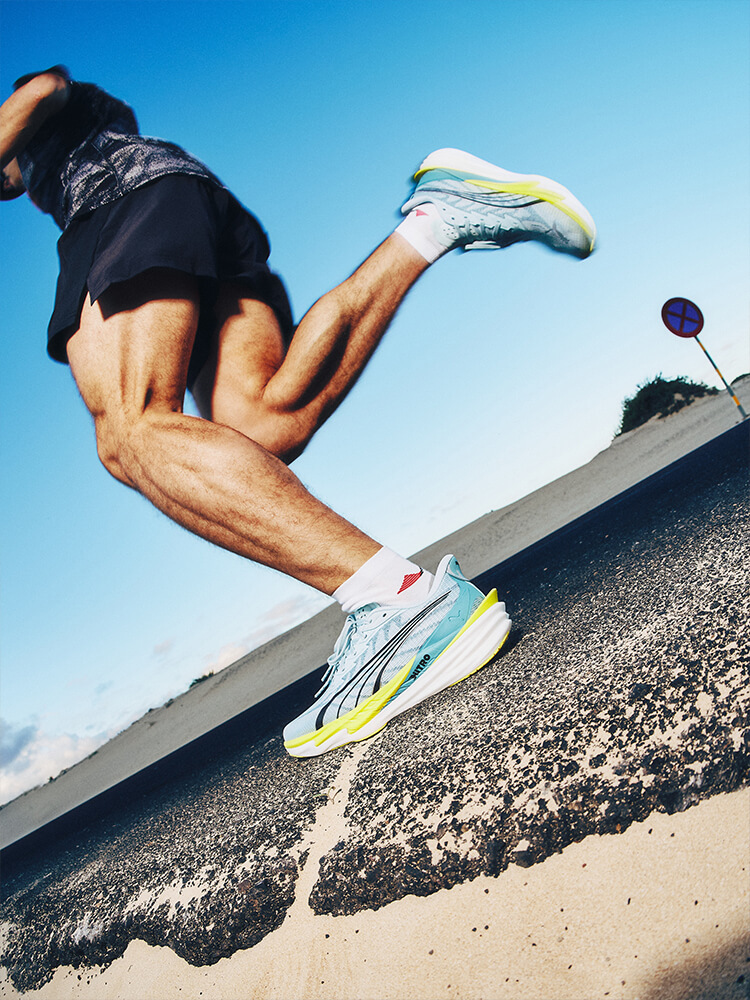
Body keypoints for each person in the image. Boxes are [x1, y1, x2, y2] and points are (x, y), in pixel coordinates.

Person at [1, 66, 596, 758]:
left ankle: (402, 602)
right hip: (186, 202)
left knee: (131, 431)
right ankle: (439, 220)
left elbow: (43, 91)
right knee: (264, 422)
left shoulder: (45, 106)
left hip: (119, 204)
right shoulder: (62, 149)